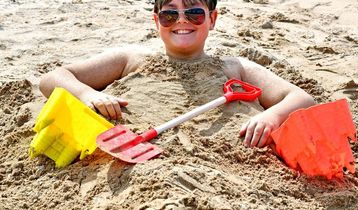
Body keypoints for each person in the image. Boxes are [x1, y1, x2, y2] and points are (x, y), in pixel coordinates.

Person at [39, 0, 315, 148]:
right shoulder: (131, 58)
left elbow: (301, 98)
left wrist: (272, 115)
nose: (181, 20)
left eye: (194, 13)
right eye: (169, 15)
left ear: (212, 18)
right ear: (156, 20)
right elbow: (52, 78)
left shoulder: (236, 67)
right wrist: (88, 94)